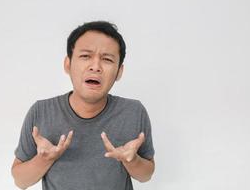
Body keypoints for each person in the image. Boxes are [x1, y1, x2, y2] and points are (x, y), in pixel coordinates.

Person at [11, 21, 155, 190]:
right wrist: (44, 159)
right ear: (68, 64)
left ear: (119, 72)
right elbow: (21, 181)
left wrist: (132, 160)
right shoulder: (41, 112)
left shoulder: (133, 112)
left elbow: (146, 175)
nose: (95, 67)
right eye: (85, 56)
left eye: (107, 59)